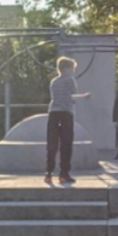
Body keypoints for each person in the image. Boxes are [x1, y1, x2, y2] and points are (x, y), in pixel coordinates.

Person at [45, 57, 91, 185]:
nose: (74, 71)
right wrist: (84, 96)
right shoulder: (70, 80)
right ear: (66, 69)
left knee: (52, 144)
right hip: (65, 113)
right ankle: (64, 174)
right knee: (66, 144)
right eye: (72, 68)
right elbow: (72, 95)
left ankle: (48, 173)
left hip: (53, 113)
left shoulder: (53, 81)